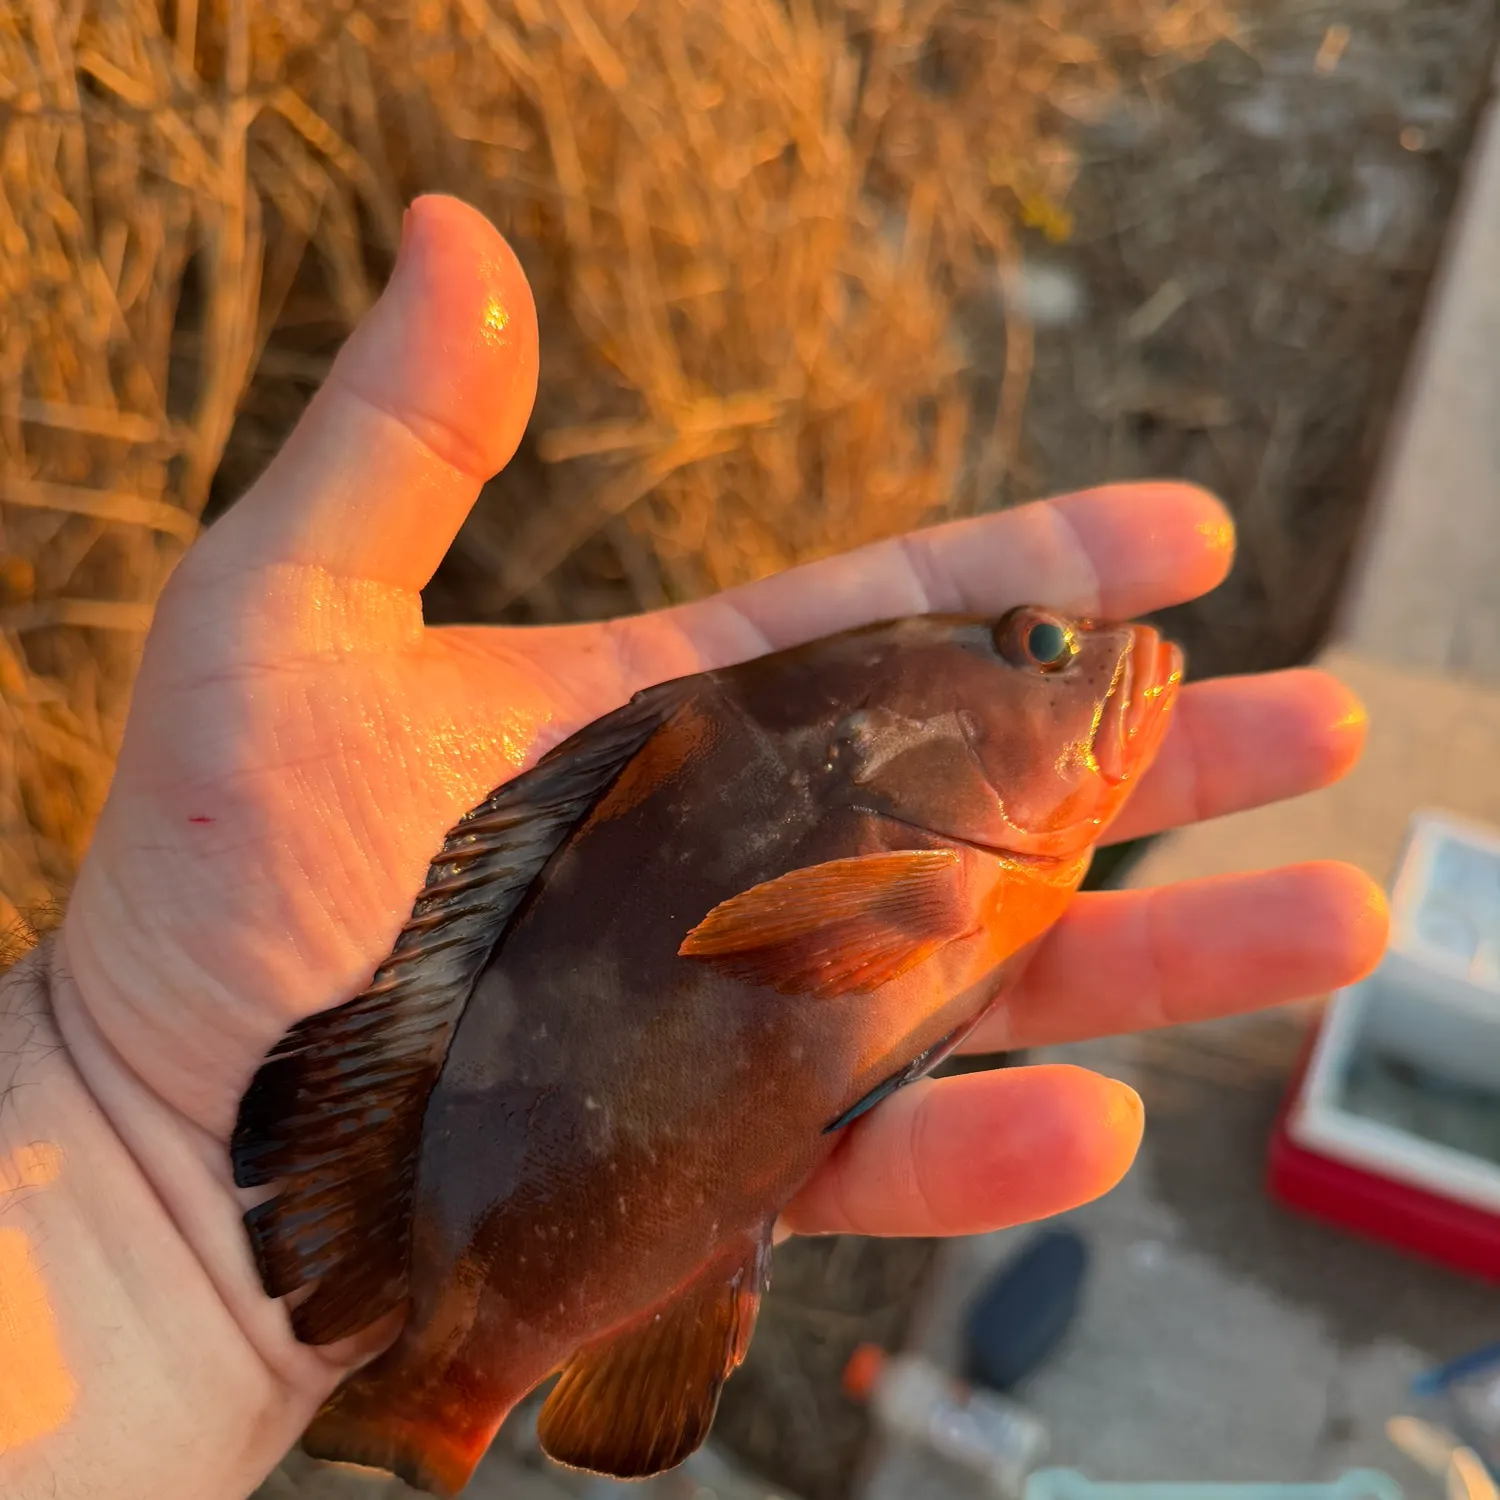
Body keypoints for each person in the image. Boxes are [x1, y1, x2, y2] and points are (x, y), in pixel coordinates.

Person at [0, 195, 1387, 1500]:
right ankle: (436, 1391)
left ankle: (432, 1387)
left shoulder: (902, 840)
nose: (1092, 663)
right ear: (902, 730)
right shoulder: (915, 866)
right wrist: (122, 1142)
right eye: (1040, 649)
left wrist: (117, 1183)